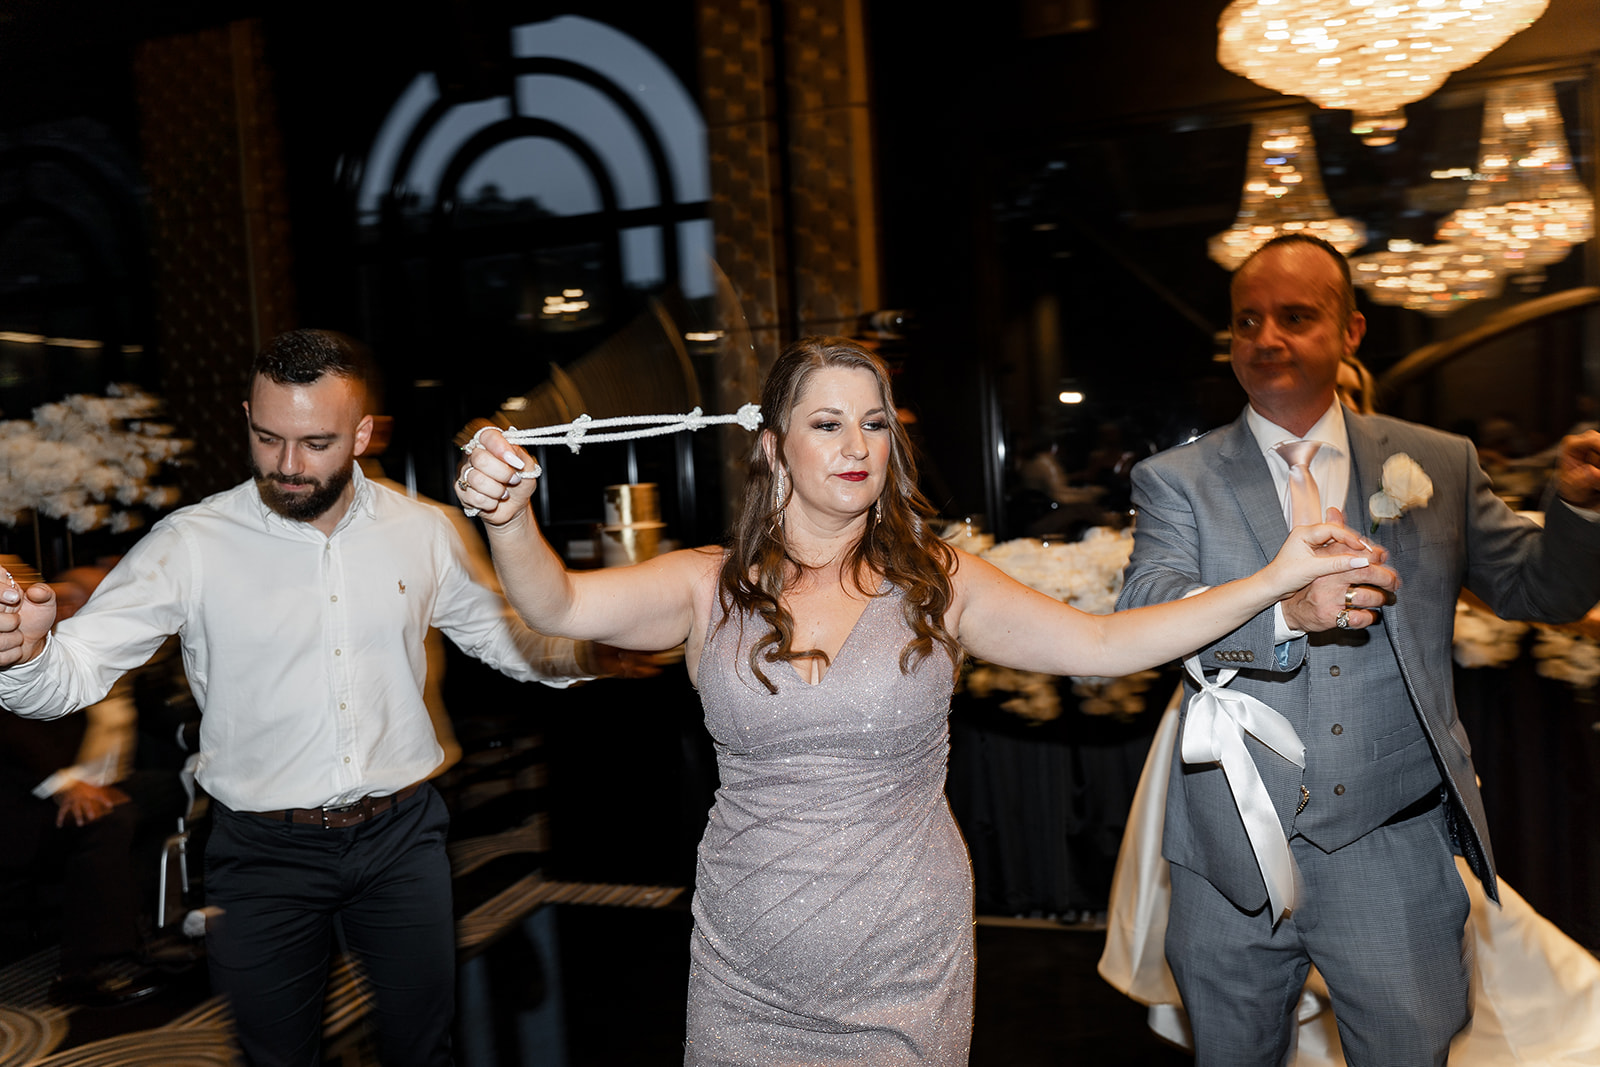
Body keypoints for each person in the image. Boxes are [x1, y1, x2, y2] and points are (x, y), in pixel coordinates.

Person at [454, 334, 1387, 1064]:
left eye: (873, 424)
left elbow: (1105, 646)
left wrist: (1272, 580)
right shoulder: (706, 585)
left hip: (904, 955)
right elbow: (555, 604)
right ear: (774, 446)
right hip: (745, 961)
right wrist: (508, 516)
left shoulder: (939, 581)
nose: (856, 445)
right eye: (828, 423)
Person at [0, 328, 610, 1067]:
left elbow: (507, 638)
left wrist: (594, 646)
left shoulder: (425, 530)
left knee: (423, 1048)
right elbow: (73, 672)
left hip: (401, 836)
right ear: (248, 418)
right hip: (263, 851)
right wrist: (25, 656)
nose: (288, 465)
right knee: (275, 1058)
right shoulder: (191, 542)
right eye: (268, 438)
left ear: (361, 435)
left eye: (316, 443)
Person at [1115, 233, 1600, 1066]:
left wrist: (1580, 507)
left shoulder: (1438, 463)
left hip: (1393, 846)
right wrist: (1283, 613)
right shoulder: (1176, 479)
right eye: (1247, 320)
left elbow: (1539, 592)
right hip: (1228, 856)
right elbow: (1146, 610)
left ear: (1351, 331)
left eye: (1296, 317)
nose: (1266, 338)